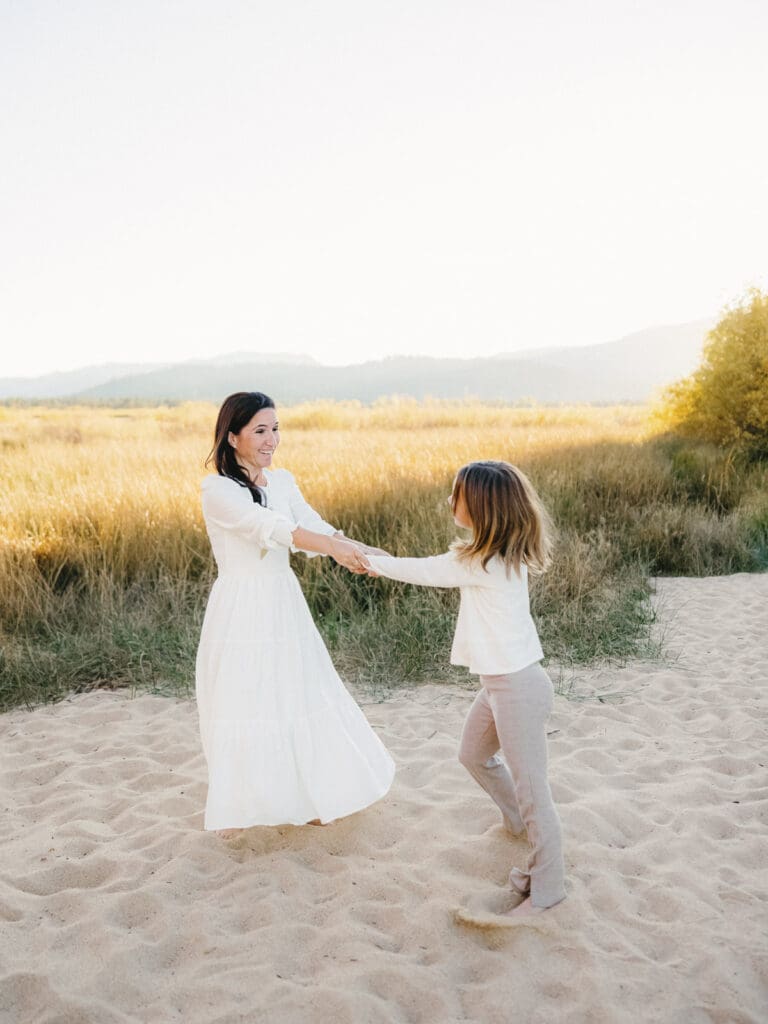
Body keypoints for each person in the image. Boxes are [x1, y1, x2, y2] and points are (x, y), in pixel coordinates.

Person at [364, 461, 565, 917]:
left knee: (537, 793)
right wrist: (372, 556)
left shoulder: (484, 563)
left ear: (479, 506)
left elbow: (426, 571)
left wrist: (373, 564)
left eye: (457, 494)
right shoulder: (494, 556)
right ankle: (516, 820)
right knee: (472, 755)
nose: (450, 501)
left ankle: (548, 888)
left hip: (518, 690)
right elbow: (424, 566)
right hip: (501, 686)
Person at [195, 391, 395, 837]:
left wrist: (361, 551)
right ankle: (258, 800)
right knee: (253, 699)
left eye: (276, 429)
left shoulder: (282, 481)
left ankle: (310, 797)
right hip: (242, 607)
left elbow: (315, 524)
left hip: (282, 600)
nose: (271, 440)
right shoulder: (218, 490)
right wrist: (335, 548)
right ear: (232, 437)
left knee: (299, 691)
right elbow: (271, 529)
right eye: (260, 431)